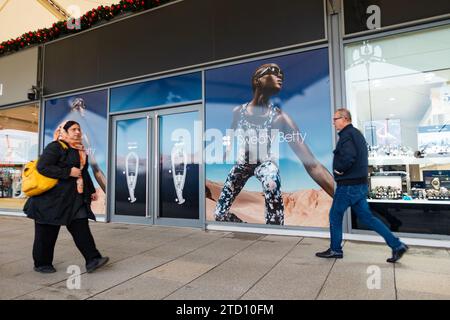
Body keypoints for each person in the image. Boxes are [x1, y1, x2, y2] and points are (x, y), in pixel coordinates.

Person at [214, 63, 334, 225]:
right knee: (219, 214)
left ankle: (275, 229)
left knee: (271, 183)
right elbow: (232, 129)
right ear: (257, 81)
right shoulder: (239, 111)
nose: (280, 76)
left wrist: (342, 196)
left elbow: (312, 165)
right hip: (243, 164)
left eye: (281, 73)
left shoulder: (280, 118)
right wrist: (227, 145)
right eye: (273, 72)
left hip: (265, 164)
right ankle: (246, 228)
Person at [316, 108, 408, 263]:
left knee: (334, 216)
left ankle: (335, 249)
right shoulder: (356, 134)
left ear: (344, 118)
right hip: (358, 185)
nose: (333, 123)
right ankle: (397, 245)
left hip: (348, 186)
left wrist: (339, 170)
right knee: (368, 218)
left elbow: (349, 157)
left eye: (335, 119)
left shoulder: (347, 135)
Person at [24, 121, 109, 273]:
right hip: (50, 201)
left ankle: (93, 259)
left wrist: (90, 191)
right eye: (73, 129)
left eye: (79, 129)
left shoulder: (80, 150)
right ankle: (42, 263)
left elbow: (83, 172)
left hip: (74, 198)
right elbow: (42, 167)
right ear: (64, 131)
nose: (77, 132)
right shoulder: (55, 147)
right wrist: (67, 172)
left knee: (81, 227)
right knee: (46, 234)